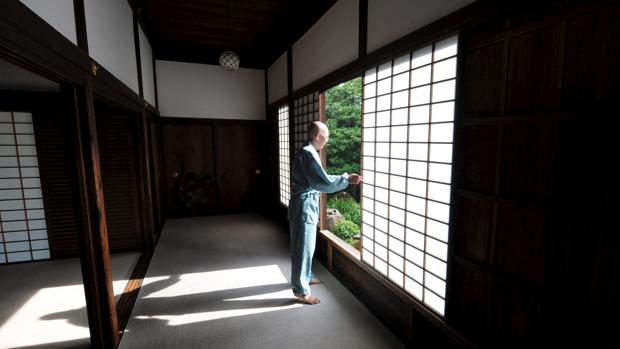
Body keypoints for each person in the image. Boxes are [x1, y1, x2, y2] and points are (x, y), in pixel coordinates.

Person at [288, 121, 362, 304]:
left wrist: (344, 178)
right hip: (304, 207)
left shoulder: (308, 152)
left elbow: (321, 180)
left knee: (305, 246)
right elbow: (324, 183)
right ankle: (301, 290)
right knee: (303, 248)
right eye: (326, 137)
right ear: (318, 136)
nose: (327, 141)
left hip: (302, 206)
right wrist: (346, 179)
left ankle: (305, 276)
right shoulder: (308, 153)